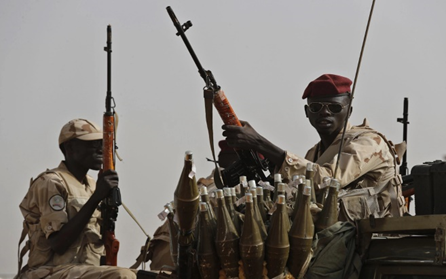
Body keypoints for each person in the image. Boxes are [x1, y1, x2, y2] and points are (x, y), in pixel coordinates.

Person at [222, 74, 407, 221]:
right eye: (316, 107)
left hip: (378, 238)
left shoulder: (369, 142)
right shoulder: (315, 153)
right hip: (338, 237)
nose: (324, 112)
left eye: (334, 107)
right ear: (307, 112)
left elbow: (330, 180)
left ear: (348, 111)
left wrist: (259, 143)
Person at [17, 118, 136, 279]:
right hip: (49, 271)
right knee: (123, 276)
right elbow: (59, 244)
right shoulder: (51, 182)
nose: (101, 149)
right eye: (92, 144)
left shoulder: (93, 185)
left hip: (85, 271)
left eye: (103, 143)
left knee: (160, 276)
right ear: (70, 148)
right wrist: (96, 198)